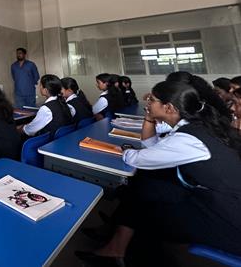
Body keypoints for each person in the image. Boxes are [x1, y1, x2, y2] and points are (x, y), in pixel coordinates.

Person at [76, 81, 241, 265]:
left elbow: (137, 159)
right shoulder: (194, 127)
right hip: (215, 201)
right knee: (145, 184)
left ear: (169, 108)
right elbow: (152, 148)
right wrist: (148, 119)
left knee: (147, 208)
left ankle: (129, 252)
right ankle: (116, 247)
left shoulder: (188, 139)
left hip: (229, 221)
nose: (147, 102)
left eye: (152, 100)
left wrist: (125, 150)